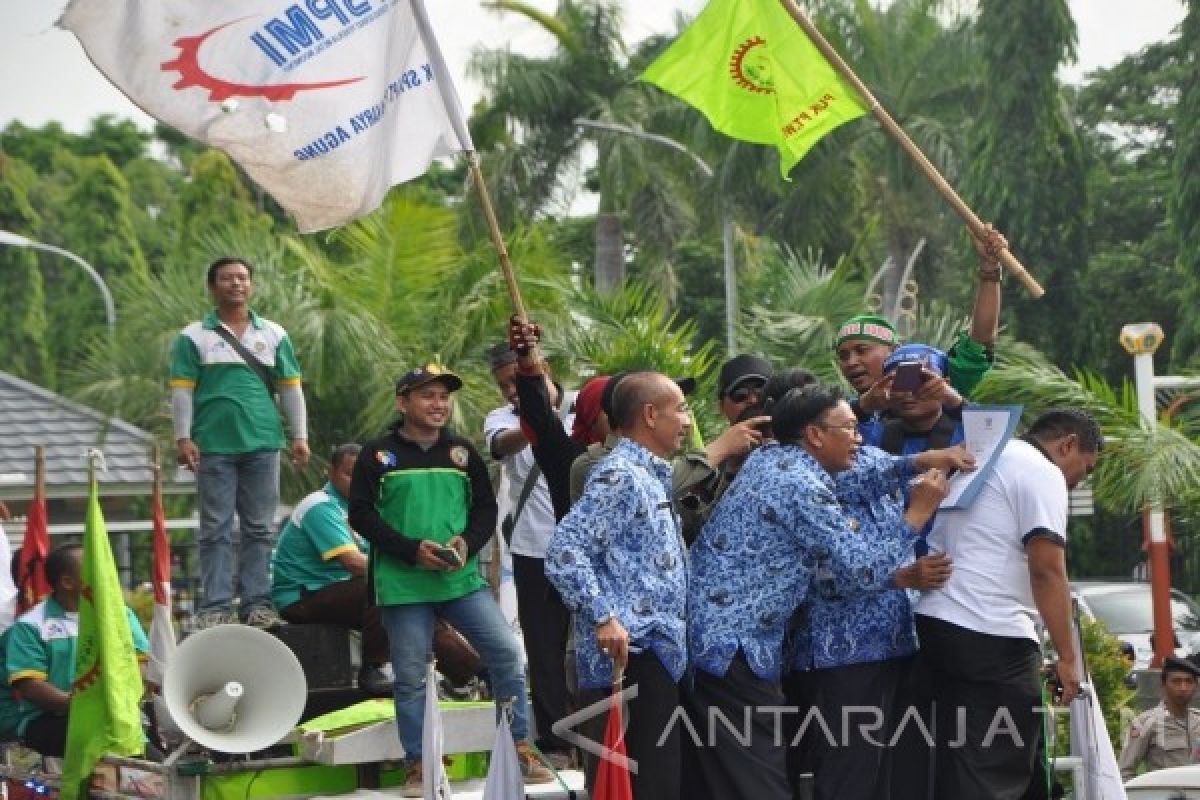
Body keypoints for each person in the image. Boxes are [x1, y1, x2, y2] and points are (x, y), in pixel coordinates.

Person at [684, 383, 951, 800]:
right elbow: (860, 570)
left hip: (726, 642)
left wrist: (919, 460)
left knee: (737, 777)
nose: (859, 438)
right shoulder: (800, 485)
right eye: (849, 428)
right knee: (761, 782)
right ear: (814, 434)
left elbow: (859, 475)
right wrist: (917, 512)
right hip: (731, 647)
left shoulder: (774, 459)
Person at [346, 363, 552, 794]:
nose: (438, 405)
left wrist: (466, 544)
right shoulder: (378, 454)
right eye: (427, 396)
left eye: (443, 396)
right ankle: (419, 764)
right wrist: (410, 549)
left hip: (460, 581)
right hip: (403, 585)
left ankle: (518, 745)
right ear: (403, 402)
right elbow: (360, 514)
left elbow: (485, 510)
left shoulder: (463, 453)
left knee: (507, 655)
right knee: (410, 676)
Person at [914, 408, 1102, 799]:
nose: (1074, 484)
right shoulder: (1039, 470)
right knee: (995, 769)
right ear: (1067, 445)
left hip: (934, 624)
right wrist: (1068, 658)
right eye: (1083, 470)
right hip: (991, 636)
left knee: (960, 766)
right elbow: (1047, 570)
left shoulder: (986, 455)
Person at [546, 372, 693, 800]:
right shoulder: (621, 476)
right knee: (637, 786)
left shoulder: (650, 474)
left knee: (656, 783)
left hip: (654, 655)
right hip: (630, 658)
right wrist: (603, 616)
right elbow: (565, 552)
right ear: (650, 415)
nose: (686, 420)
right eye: (680, 409)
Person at [169, 256, 310, 630]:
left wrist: (299, 436)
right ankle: (215, 605)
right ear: (212, 287)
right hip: (213, 445)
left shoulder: (274, 334)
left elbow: (290, 389)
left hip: (263, 443)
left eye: (243, 278)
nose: (236, 284)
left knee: (260, 528)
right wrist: (183, 437)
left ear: (252, 285)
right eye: (227, 279)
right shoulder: (193, 336)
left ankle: (257, 603)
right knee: (215, 528)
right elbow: (182, 393)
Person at [482, 342, 575, 765]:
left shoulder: (583, 407)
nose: (511, 392)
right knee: (543, 646)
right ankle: (557, 740)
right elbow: (502, 445)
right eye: (504, 386)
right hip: (534, 546)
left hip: (584, 546)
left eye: (517, 382)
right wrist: (535, 420)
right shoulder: (500, 419)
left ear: (542, 369)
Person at [834, 224, 1008, 404]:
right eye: (844, 356)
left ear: (894, 351)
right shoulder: (842, 415)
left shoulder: (933, 384)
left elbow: (979, 343)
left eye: (861, 350)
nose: (851, 362)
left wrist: (990, 269)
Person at [271, 444, 394, 697]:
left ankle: (471, 675)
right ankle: (373, 669)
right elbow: (353, 562)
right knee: (383, 584)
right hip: (301, 597)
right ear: (331, 473)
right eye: (350, 474)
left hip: (337, 592)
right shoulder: (320, 505)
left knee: (416, 602)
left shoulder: (367, 510)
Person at [5, 544, 149, 757]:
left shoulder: (122, 615)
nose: (103, 572)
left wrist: (118, 700)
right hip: (53, 721)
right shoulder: (30, 625)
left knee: (160, 765)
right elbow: (29, 684)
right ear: (67, 582)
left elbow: (140, 664)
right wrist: (78, 704)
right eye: (93, 567)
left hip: (116, 718)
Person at [1119, 657, 1200, 779]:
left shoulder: (1198, 720)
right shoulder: (1145, 723)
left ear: (1196, 687)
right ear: (1163, 685)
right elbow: (1124, 771)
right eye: (1176, 681)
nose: (1183, 688)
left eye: (1189, 681)